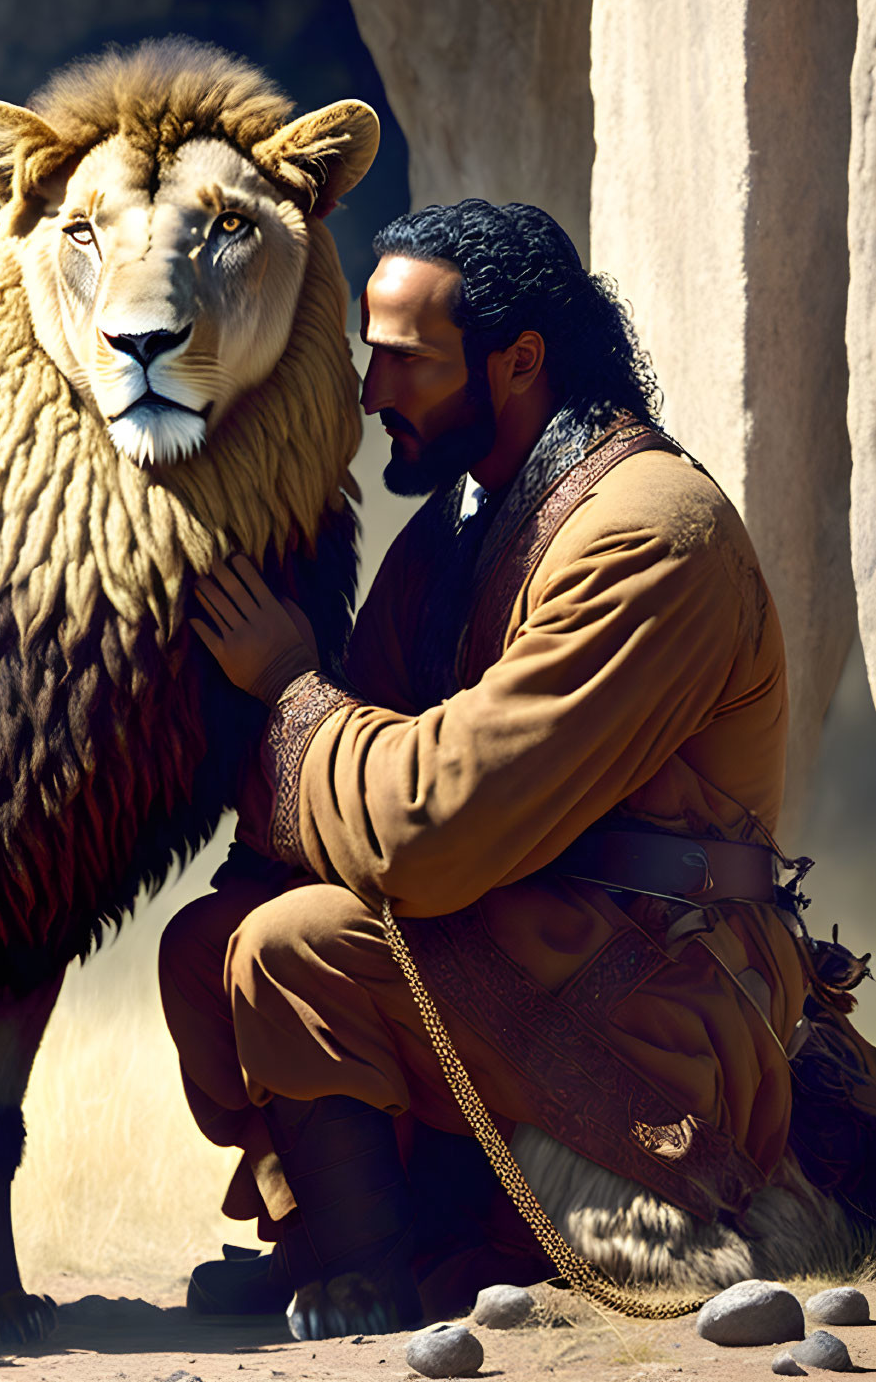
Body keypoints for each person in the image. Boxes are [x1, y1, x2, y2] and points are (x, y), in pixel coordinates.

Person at [161, 198, 832, 1341]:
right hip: (518, 946)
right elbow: (342, 789)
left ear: (518, 361)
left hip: (661, 1003)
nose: (372, 393)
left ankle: (392, 1265)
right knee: (209, 940)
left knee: (290, 951)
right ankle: (382, 1231)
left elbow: (427, 833)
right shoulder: (458, 534)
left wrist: (286, 687)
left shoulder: (650, 536)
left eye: (405, 362)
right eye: (371, 357)